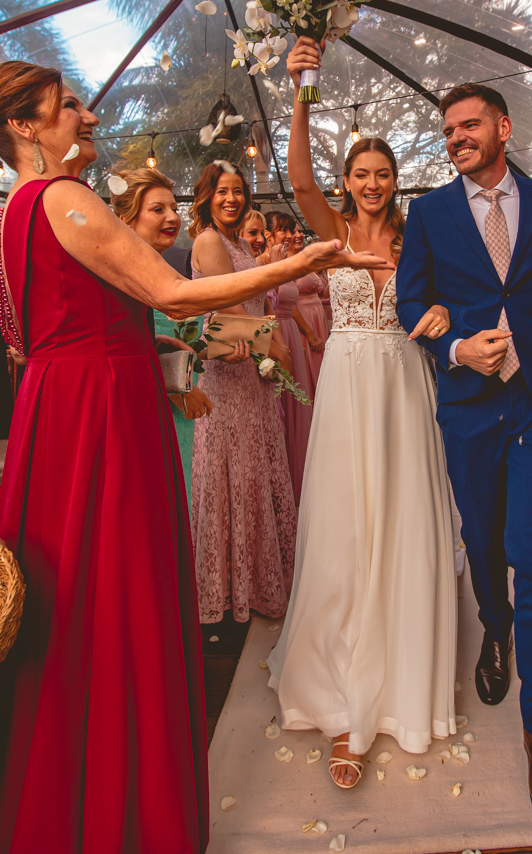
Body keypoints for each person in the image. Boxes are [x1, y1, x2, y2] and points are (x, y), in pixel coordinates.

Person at [0, 60, 385, 854]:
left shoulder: (14, 212)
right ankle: (123, 809)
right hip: (102, 415)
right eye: (69, 106)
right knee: (117, 597)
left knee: (72, 607)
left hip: (59, 410)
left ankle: (67, 792)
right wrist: (305, 261)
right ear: (23, 125)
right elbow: (171, 294)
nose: (89, 117)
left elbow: (37, 332)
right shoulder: (62, 197)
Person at [396, 82, 532, 830]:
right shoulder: (429, 213)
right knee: (481, 539)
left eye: (469, 125)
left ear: (503, 127)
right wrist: (453, 346)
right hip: (471, 405)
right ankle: (494, 628)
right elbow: (410, 302)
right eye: (448, 130)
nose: (456, 138)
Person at [268, 37, 457, 791]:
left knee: (404, 520)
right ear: (347, 182)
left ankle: (401, 679)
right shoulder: (333, 231)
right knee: (348, 527)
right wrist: (302, 88)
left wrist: (444, 311)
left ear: (394, 181)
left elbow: (452, 299)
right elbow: (296, 175)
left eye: (382, 174)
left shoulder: (418, 239)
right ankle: (342, 692)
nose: (372, 184)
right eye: (361, 174)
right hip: (347, 386)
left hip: (404, 385)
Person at [189, 163, 295, 626]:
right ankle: (230, 587)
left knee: (254, 473)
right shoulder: (209, 240)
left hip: (252, 370)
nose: (231, 199)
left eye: (237, 191)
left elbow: (260, 300)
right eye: (222, 191)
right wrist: (276, 349)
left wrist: (272, 351)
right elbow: (231, 307)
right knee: (234, 474)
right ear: (206, 197)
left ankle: (254, 581)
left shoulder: (237, 243)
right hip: (228, 372)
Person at [111, 165, 213, 503]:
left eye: (173, 208)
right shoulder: (120, 273)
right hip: (141, 407)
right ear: (126, 219)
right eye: (158, 209)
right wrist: (178, 388)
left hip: (178, 409)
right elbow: (120, 343)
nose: (172, 217)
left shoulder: (156, 268)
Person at [262, 210, 314, 503]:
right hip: (274, 333)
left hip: (291, 333)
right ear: (268, 235)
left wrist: (306, 335)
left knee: (297, 405)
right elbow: (267, 301)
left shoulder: (287, 262)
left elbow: (291, 305)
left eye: (290, 230)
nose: (289, 235)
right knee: (280, 406)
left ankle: (299, 481)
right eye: (282, 229)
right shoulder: (263, 263)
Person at [291, 225, 328, 391]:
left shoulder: (305, 262)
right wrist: (310, 334)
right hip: (304, 323)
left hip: (317, 320)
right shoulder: (287, 264)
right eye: (292, 232)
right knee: (308, 368)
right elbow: (288, 302)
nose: (298, 235)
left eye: (300, 231)